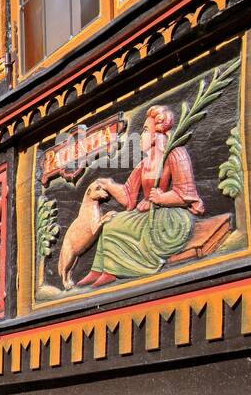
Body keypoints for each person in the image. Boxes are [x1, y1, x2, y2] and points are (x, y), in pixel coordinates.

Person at [80, 105, 204, 288]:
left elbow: (186, 193)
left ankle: (115, 270)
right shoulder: (145, 164)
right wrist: (109, 185)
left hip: (171, 220)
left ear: (156, 135)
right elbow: (128, 196)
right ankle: (99, 270)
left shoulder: (175, 154)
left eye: (145, 130)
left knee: (124, 228)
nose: (140, 136)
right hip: (148, 212)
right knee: (111, 222)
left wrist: (161, 199)